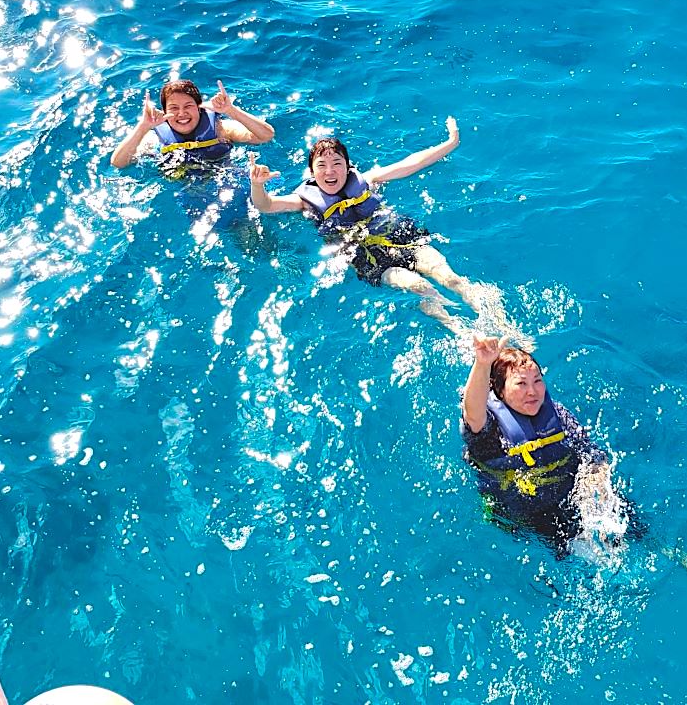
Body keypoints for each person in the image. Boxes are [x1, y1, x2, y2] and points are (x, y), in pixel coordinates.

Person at [247, 118, 497, 327]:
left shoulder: (369, 179)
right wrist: (257, 185)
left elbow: (412, 163)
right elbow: (266, 205)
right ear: (312, 173)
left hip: (399, 236)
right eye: (321, 166)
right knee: (418, 285)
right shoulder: (304, 201)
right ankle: (460, 331)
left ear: (348, 167)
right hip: (366, 256)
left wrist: (451, 142)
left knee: (450, 277)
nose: (330, 171)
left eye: (337, 164)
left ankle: (498, 321)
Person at [461, 334, 646, 556]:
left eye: (537, 380)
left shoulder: (558, 415)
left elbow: (590, 453)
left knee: (630, 522)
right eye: (521, 383)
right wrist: (482, 364)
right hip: (524, 510)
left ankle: (675, 554)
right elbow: (472, 413)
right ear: (499, 391)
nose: (532, 391)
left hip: (568, 491)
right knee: (582, 551)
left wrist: (596, 482)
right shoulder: (490, 430)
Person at [110, 78, 275, 171]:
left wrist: (231, 111)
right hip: (191, 194)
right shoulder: (155, 139)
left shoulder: (220, 128)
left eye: (188, 106)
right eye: (174, 108)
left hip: (229, 179)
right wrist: (142, 127)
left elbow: (266, 136)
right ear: (165, 112)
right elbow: (118, 163)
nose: (181, 114)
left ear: (199, 107)